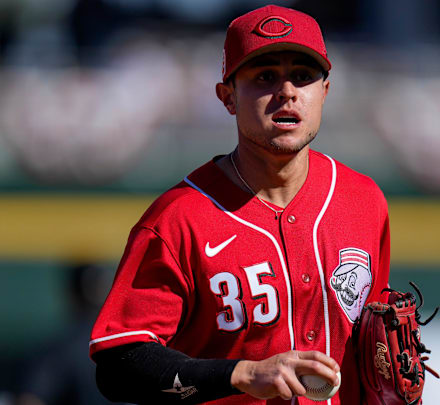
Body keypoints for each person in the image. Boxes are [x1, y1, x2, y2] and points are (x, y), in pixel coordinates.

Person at [89, 5, 391, 405]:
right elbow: (118, 366)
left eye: (302, 76)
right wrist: (241, 373)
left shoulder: (363, 199)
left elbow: (377, 346)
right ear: (227, 97)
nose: (286, 91)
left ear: (325, 92)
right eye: (265, 76)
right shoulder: (177, 219)